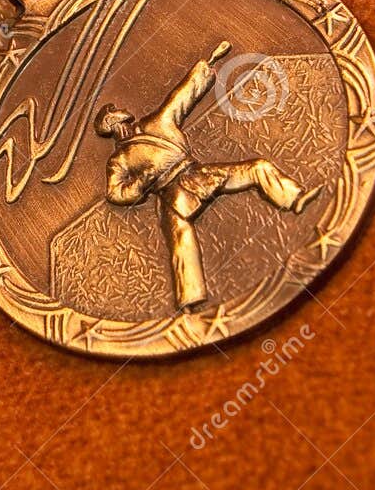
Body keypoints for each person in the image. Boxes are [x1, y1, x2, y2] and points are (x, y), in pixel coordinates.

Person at [93, 40, 320, 309]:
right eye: (115, 124)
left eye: (121, 120)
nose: (122, 126)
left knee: (257, 167)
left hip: (197, 173)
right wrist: (141, 183)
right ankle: (189, 298)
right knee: (179, 234)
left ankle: (295, 198)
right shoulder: (119, 160)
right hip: (171, 193)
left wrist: (208, 64)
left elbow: (182, 97)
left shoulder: (158, 123)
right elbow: (115, 193)